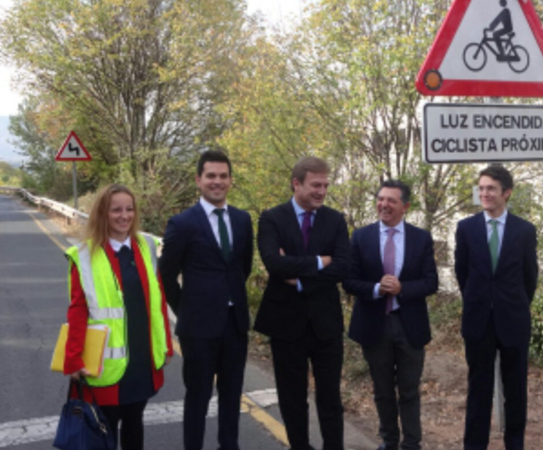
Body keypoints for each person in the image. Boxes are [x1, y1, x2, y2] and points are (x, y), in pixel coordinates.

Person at [64, 183, 174, 450]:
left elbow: (158, 301)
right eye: (116, 210)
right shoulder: (85, 255)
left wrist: (166, 346)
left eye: (129, 209)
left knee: (135, 421)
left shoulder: (147, 246)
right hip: (106, 361)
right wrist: (73, 358)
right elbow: (77, 311)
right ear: (103, 213)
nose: (124, 216)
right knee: (106, 428)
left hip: (142, 357)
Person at [253, 156, 351, 450]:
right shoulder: (272, 219)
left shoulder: (335, 220)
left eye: (325, 185)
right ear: (296, 183)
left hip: (326, 324)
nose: (322, 191)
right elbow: (274, 264)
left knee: (330, 398)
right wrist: (321, 261)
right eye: (315, 185)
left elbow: (343, 267)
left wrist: (300, 278)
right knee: (292, 398)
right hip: (285, 324)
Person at [159, 150, 254, 450]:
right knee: (198, 398)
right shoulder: (182, 223)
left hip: (234, 325)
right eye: (211, 176)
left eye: (223, 176)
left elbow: (243, 267)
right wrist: (186, 310)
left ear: (230, 180)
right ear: (198, 180)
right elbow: (166, 275)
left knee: (232, 396)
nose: (217, 181)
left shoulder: (242, 220)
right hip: (198, 328)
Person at [344, 180, 439, 450]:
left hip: (409, 325)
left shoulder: (421, 238)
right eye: (380, 199)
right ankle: (389, 441)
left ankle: (412, 444)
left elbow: (431, 282)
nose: (384, 205)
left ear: (405, 206)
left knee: (409, 390)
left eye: (391, 201)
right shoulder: (360, 237)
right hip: (374, 325)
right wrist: (376, 288)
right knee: (383, 390)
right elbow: (348, 281)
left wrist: (402, 289)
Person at [454, 165, 538, 450]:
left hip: (513, 320)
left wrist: (513, 305)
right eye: (481, 188)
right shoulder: (466, 228)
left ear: (506, 193)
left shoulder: (524, 230)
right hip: (478, 321)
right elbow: (462, 273)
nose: (484, 193)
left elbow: (530, 278)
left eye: (490, 188)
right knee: (478, 390)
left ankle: (514, 445)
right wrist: (479, 301)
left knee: (515, 392)